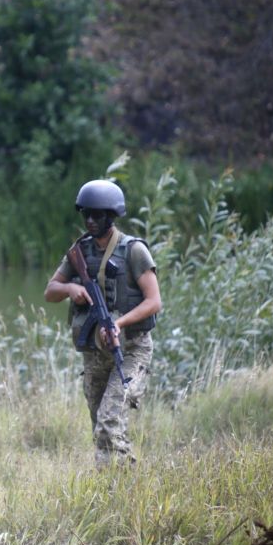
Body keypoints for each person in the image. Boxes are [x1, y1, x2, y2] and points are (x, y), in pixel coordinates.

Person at [44, 180, 162, 468]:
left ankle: (117, 486)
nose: (91, 221)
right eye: (87, 215)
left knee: (110, 421)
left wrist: (118, 323)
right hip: (94, 353)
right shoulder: (80, 251)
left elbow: (154, 301)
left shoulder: (133, 250)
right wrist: (71, 290)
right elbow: (50, 291)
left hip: (131, 349)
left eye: (98, 215)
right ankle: (118, 484)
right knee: (101, 426)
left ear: (112, 216)